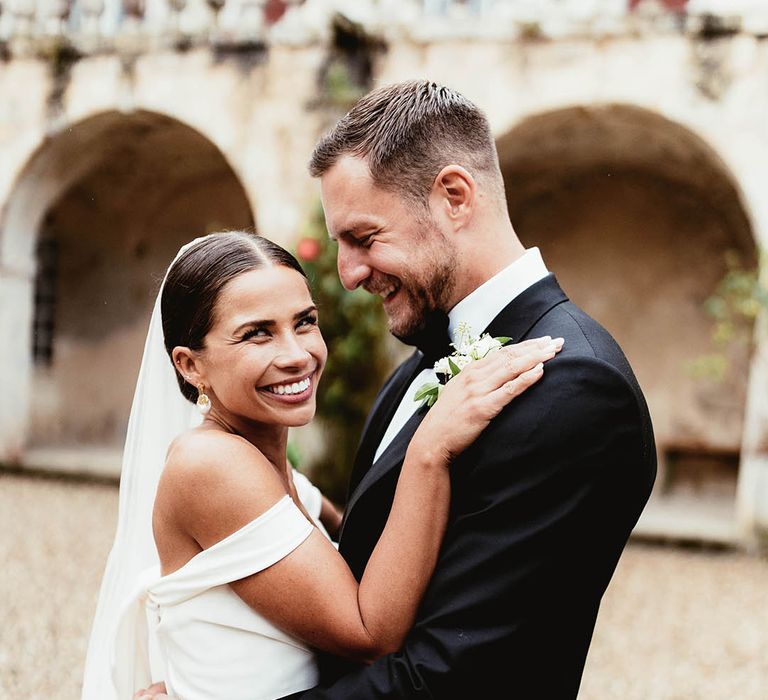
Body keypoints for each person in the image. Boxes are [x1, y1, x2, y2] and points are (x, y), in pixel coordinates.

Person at [137, 79, 656, 700]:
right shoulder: (419, 365)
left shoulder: (572, 387)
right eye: (339, 246)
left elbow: (451, 678)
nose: (348, 275)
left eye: (364, 238)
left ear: (454, 197)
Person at [82, 230, 560, 700]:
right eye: (257, 334)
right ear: (190, 365)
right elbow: (369, 634)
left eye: (305, 322)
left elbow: (361, 543)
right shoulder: (210, 463)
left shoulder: (278, 472)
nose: (297, 355)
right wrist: (429, 449)